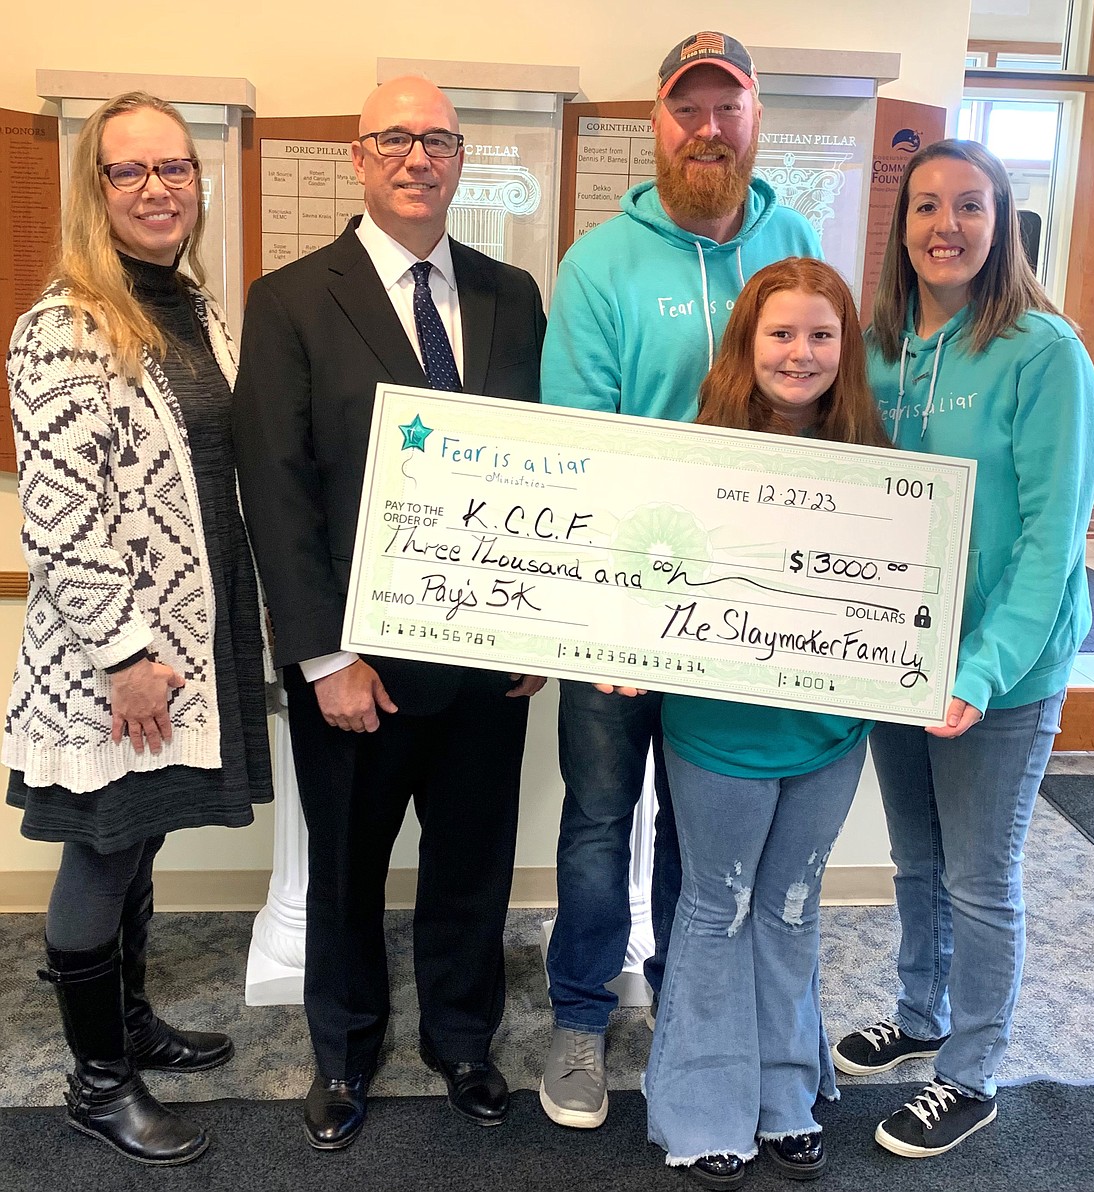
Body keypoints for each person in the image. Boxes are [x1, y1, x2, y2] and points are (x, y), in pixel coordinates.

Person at [232, 76, 546, 1151]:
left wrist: (535, 631)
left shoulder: (512, 296)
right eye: (394, 140)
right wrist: (322, 656)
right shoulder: (288, 301)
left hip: (484, 660)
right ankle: (345, 1049)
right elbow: (275, 488)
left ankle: (462, 1040)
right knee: (346, 870)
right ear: (358, 160)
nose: (418, 158)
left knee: (472, 864)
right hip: (354, 664)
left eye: (439, 141)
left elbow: (540, 477)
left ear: (462, 161)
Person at [538, 31, 823, 1131]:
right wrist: (607, 619)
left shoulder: (796, 243)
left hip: (746, 621)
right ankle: (577, 1015)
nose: (706, 128)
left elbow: (828, 420)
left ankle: (682, 1009)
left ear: (755, 120)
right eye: (685, 109)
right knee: (600, 819)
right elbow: (580, 446)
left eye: (727, 107)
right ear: (654, 123)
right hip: (621, 609)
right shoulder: (600, 264)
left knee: (705, 834)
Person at [4, 91, 274, 1166]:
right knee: (101, 851)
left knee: (143, 837)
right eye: (131, 172)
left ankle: (131, 1022)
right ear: (97, 190)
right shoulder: (62, 327)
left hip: (188, 644)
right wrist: (125, 656)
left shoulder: (194, 309)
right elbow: (62, 518)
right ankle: (97, 1083)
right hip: (113, 661)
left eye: (175, 168)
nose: (158, 188)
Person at [832, 139, 1094, 1159]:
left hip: (1004, 671)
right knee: (917, 860)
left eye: (968, 207)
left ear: (1001, 225)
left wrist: (980, 672)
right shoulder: (876, 351)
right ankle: (918, 1012)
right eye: (925, 207)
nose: (944, 225)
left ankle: (970, 1070)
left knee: (980, 878)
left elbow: (1048, 542)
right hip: (900, 658)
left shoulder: (1044, 352)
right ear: (900, 230)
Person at [643, 257, 890, 1187]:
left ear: (844, 350)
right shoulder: (691, 456)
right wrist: (623, 649)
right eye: (781, 333)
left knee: (791, 909)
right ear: (748, 343)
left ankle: (787, 1090)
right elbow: (642, 572)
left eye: (821, 335)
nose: (800, 352)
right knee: (718, 907)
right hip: (718, 731)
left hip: (828, 734)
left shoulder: (882, 468)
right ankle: (704, 1108)